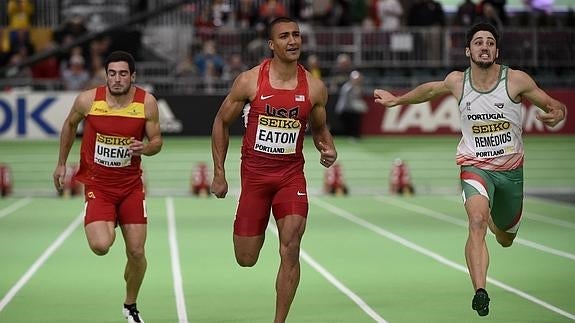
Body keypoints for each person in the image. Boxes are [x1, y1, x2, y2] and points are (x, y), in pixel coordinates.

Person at [373, 22, 566, 317]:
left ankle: (494, 219)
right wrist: (398, 100)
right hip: (475, 166)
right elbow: (429, 91)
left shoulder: (515, 80)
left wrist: (556, 114)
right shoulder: (457, 81)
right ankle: (480, 291)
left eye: (490, 42)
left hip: (511, 170)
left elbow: (555, 106)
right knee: (476, 221)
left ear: (497, 50)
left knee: (505, 238)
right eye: (478, 42)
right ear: (468, 50)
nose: (484, 46)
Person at [210, 16, 337, 323]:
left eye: (296, 35)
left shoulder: (315, 88)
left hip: (290, 176)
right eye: (284, 36)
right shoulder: (250, 81)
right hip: (254, 178)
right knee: (246, 257)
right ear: (271, 44)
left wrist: (328, 147)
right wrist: (219, 173)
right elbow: (221, 122)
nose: (292, 41)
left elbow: (320, 129)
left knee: (291, 245)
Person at [52, 50, 162, 323]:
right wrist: (61, 163)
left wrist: (145, 148)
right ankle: (104, 219)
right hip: (98, 186)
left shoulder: (146, 103)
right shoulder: (88, 99)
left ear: (132, 76)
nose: (117, 78)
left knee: (137, 252)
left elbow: (157, 141)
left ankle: (130, 304)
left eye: (123, 73)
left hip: (130, 188)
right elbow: (69, 126)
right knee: (102, 245)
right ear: (106, 75)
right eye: (112, 73)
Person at [334, 70, 368, 139]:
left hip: (350, 109)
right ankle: (352, 135)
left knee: (355, 121)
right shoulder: (348, 88)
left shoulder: (357, 87)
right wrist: (359, 107)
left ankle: (355, 135)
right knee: (349, 124)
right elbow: (347, 102)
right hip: (345, 109)